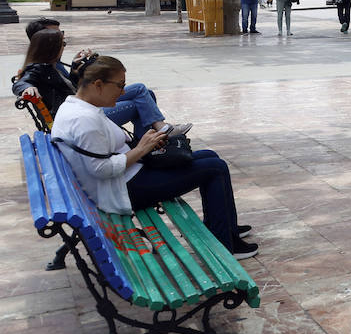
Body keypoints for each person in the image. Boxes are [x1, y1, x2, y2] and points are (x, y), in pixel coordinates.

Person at [50, 55, 256, 259]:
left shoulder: (77, 107)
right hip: (122, 190)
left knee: (210, 157)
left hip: (126, 177)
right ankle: (224, 244)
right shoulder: (84, 119)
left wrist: (145, 145)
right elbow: (102, 169)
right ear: (98, 85)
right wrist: (141, 148)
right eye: (119, 85)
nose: (122, 92)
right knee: (215, 168)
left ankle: (225, 229)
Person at [12, 28, 191, 139]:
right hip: (79, 118)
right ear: (50, 47)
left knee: (146, 94)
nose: (64, 46)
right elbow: (21, 82)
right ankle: (156, 135)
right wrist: (27, 87)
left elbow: (71, 87)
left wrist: (75, 66)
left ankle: (151, 138)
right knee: (140, 94)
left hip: (80, 109)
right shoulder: (39, 69)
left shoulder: (52, 66)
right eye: (63, 43)